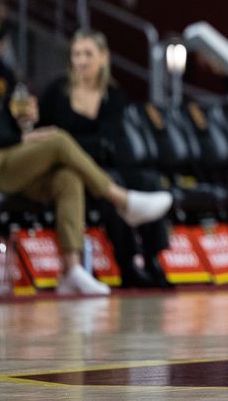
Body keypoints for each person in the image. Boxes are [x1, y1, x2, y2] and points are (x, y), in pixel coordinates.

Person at [0, 13, 174, 296]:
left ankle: (72, 269)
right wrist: (18, 137)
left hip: (6, 161)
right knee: (56, 138)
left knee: (67, 178)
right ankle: (122, 200)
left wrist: (18, 122)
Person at [39, 29, 171, 289]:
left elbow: (109, 139)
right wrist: (88, 145)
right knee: (112, 183)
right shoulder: (56, 91)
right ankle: (126, 263)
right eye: (77, 54)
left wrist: (77, 142)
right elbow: (47, 136)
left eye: (88, 54)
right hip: (71, 170)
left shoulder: (113, 94)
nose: (81, 60)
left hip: (106, 162)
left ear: (103, 57)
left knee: (150, 181)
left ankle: (153, 258)